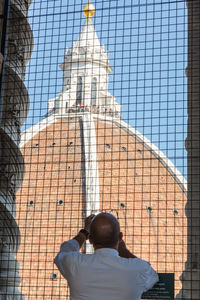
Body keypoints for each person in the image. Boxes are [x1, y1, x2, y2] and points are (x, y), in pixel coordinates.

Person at [54, 212, 159, 300]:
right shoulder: (138, 268)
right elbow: (153, 277)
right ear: (120, 237)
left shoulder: (74, 263)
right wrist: (124, 251)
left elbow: (66, 249)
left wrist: (84, 232)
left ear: (90, 239)